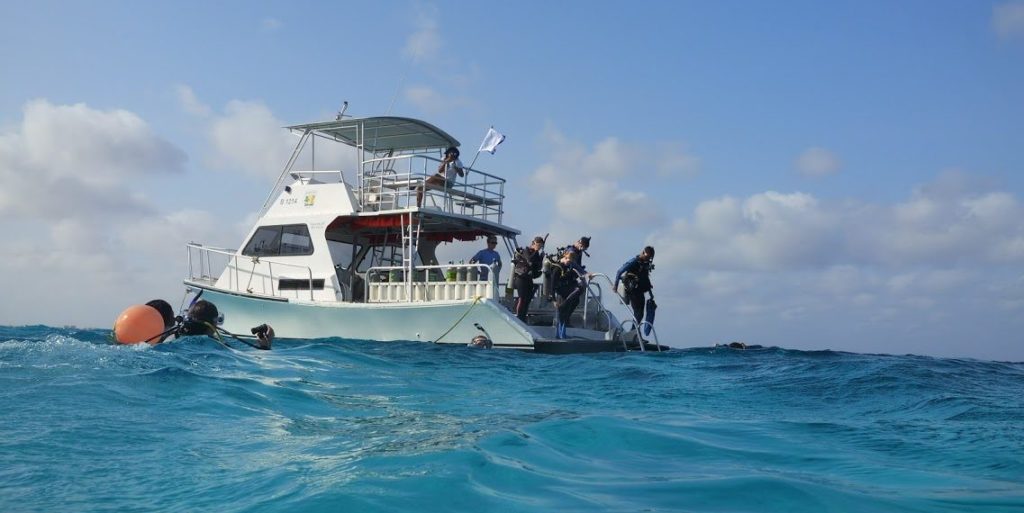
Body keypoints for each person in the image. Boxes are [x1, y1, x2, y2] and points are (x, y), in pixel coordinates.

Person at [550, 250, 593, 339]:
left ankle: (563, 333)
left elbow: (579, 270)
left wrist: (586, 274)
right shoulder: (558, 268)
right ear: (565, 258)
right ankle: (559, 334)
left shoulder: (569, 266)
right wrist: (554, 300)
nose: (569, 263)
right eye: (568, 261)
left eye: (571, 261)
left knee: (571, 306)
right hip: (561, 291)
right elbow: (552, 286)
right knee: (563, 312)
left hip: (568, 292)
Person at [614, 246, 655, 326]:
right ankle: (634, 331)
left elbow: (646, 279)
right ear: (643, 253)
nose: (648, 259)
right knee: (638, 313)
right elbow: (619, 271)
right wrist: (615, 285)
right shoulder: (634, 261)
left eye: (649, 258)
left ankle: (635, 332)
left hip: (639, 291)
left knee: (640, 314)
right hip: (632, 290)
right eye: (647, 257)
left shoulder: (644, 264)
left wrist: (651, 294)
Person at [511, 236, 545, 322]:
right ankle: (518, 317)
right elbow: (529, 260)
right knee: (522, 298)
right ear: (534, 243)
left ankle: (523, 317)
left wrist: (541, 257)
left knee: (528, 299)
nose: (539, 247)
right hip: (521, 278)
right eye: (538, 245)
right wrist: (536, 251)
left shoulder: (536, 253)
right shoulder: (526, 250)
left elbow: (537, 266)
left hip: (529, 278)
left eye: (541, 246)